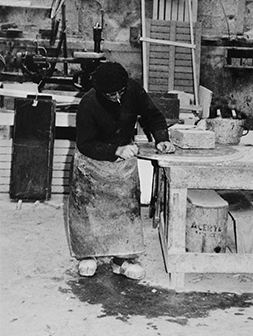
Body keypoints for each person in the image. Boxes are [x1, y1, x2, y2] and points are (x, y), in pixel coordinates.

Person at [67, 61, 175, 279]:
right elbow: (85, 143)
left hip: (123, 162)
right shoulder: (88, 103)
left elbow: (152, 115)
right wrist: (116, 149)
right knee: (89, 211)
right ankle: (88, 255)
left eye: (120, 92)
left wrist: (162, 138)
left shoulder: (133, 89)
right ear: (100, 91)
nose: (117, 97)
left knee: (126, 210)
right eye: (110, 94)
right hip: (92, 163)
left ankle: (122, 260)